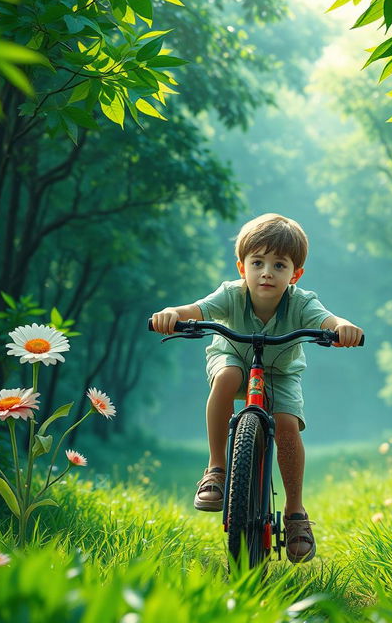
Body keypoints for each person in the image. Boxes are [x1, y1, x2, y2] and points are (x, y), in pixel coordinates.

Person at [151, 213, 363, 563]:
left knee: (287, 424)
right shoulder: (230, 295)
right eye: (258, 262)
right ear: (241, 267)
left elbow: (329, 320)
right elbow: (197, 309)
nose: (267, 272)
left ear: (295, 274)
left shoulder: (302, 302)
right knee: (226, 378)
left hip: (281, 372)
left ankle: (295, 514)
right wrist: (172, 313)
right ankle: (217, 467)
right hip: (232, 356)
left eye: (279, 265)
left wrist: (344, 327)